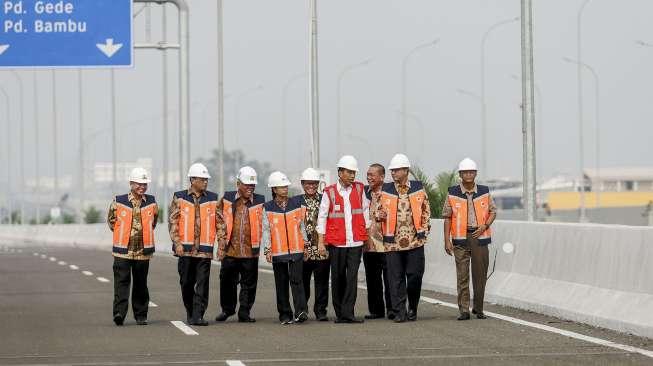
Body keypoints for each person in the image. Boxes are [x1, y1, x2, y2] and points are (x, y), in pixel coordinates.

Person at [316, 155, 371, 324]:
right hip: (336, 242)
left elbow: (365, 211)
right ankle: (340, 312)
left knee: (352, 277)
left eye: (354, 172)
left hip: (355, 242)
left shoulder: (360, 189)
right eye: (349, 172)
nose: (352, 175)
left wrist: (366, 235)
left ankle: (348, 313)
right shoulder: (329, 192)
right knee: (338, 277)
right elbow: (322, 216)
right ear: (340, 172)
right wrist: (320, 242)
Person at [378, 154, 431, 322]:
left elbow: (426, 211)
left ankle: (412, 307)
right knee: (396, 278)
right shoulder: (385, 190)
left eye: (397, 170)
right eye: (392, 170)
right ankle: (400, 311)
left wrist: (424, 231)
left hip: (415, 241)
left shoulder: (418, 188)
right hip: (392, 242)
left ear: (406, 170)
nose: (394, 173)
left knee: (415, 275)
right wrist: (378, 215)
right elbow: (377, 211)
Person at [442, 158, 497, 320]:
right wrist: (446, 240)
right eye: (465, 172)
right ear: (460, 174)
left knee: (480, 275)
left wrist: (484, 226)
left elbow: (493, 211)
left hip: (479, 237)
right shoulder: (453, 192)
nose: (468, 174)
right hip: (460, 238)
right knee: (462, 275)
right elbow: (447, 217)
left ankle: (478, 309)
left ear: (476, 174)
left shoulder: (484, 191)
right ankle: (464, 310)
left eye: (471, 172)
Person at [168, 162, 220, 326]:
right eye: (202, 179)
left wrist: (222, 245)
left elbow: (220, 223)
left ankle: (198, 315)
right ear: (192, 180)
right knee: (186, 283)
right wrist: (177, 243)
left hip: (204, 250)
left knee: (202, 284)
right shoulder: (180, 197)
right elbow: (173, 222)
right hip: (185, 250)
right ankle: (190, 311)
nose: (205, 182)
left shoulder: (213, 198)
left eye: (206, 179)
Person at [107, 167, 158, 326]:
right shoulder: (118, 201)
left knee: (141, 284)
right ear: (131, 183)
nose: (142, 187)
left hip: (143, 251)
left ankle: (141, 315)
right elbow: (111, 222)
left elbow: (154, 222)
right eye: (139, 184)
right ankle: (119, 314)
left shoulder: (152, 202)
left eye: (144, 184)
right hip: (123, 251)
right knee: (121, 283)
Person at [215, 166, 265, 323]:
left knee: (249, 284)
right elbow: (218, 219)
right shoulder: (227, 198)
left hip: (251, 251)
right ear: (238, 184)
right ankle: (227, 310)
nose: (250, 188)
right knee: (227, 282)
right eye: (247, 185)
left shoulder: (260, 201)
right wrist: (221, 243)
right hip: (231, 250)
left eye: (252, 185)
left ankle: (244, 312)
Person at [263, 171, 309, 324]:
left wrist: (306, 246)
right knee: (281, 284)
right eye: (281, 187)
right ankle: (285, 314)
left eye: (286, 186)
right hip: (278, 251)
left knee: (297, 281)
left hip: (297, 250)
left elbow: (302, 227)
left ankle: (301, 311)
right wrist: (267, 250)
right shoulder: (267, 208)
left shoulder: (297, 205)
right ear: (274, 189)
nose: (285, 189)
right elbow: (266, 230)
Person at [298, 168, 330, 321]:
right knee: (302, 282)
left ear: (318, 184)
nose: (311, 186)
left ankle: (321, 311)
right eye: (307, 183)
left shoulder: (325, 199)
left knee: (322, 282)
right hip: (303, 250)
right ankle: (302, 310)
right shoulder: (296, 201)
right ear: (302, 184)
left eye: (314, 183)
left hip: (322, 248)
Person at [363, 163, 393, 320]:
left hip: (387, 244)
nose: (369, 177)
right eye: (368, 174)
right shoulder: (363, 194)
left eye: (372, 175)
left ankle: (393, 309)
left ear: (382, 177)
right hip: (368, 244)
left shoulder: (390, 193)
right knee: (372, 279)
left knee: (390, 279)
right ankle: (376, 310)